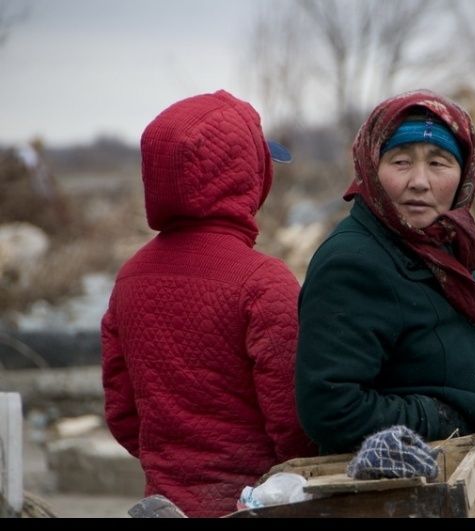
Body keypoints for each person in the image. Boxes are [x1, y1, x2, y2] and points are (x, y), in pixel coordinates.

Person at [295, 89, 475, 518]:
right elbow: (331, 407)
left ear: (463, 173)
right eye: (401, 161)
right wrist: (446, 417)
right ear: (371, 168)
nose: (420, 181)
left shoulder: (441, 244)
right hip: (409, 486)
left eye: (438, 162)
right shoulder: (353, 261)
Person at [101, 90, 316, 517]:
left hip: (163, 503)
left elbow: (122, 412)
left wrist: (174, 465)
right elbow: (295, 424)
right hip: (253, 504)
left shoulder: (130, 278)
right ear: (247, 175)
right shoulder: (262, 281)